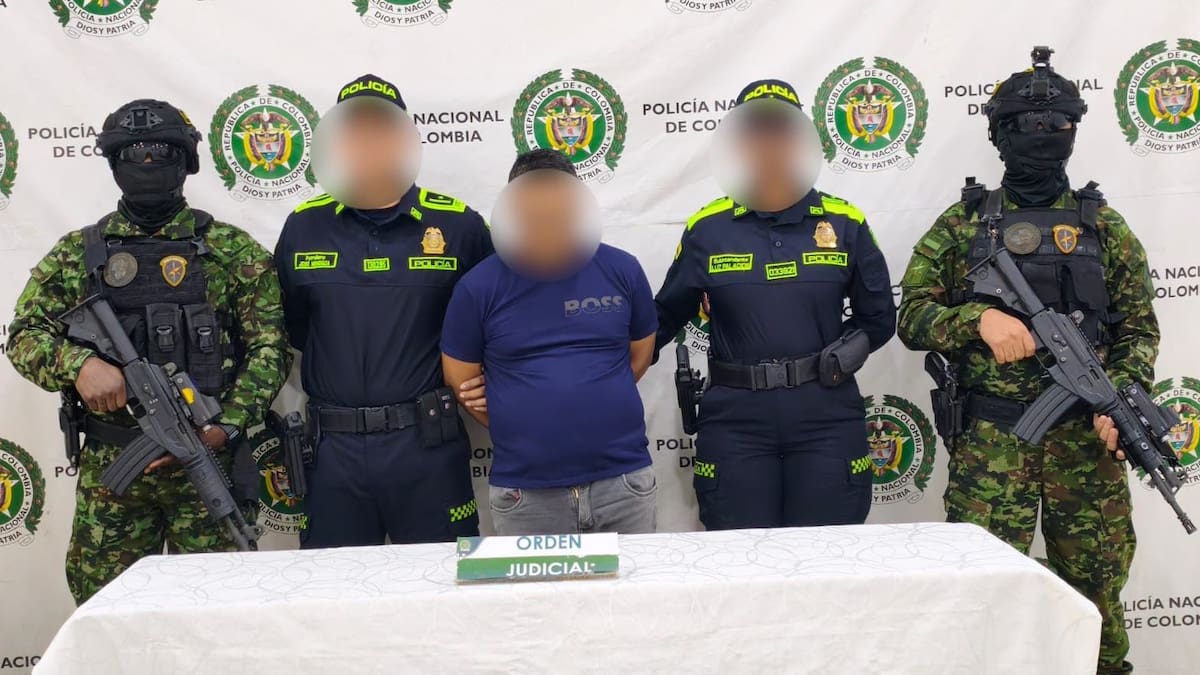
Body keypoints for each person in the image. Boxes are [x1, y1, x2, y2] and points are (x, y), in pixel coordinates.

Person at [897, 47, 1156, 675]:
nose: (1042, 136)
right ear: (999, 135)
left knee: (1096, 606)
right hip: (993, 445)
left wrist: (1119, 401)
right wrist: (976, 320)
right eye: (1025, 125)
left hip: (1088, 449)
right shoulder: (963, 226)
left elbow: (1138, 332)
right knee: (984, 605)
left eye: (1056, 124)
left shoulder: (1105, 229)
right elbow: (911, 317)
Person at [5, 99, 290, 604]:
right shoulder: (80, 254)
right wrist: (79, 365)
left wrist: (224, 427)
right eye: (134, 153)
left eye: (162, 151)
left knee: (220, 607)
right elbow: (24, 334)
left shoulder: (232, 252)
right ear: (115, 165)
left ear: (186, 162)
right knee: (105, 610)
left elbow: (270, 348)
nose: (149, 162)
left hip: (207, 459)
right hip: (113, 470)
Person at [653, 79, 896, 530]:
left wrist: (840, 358)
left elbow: (879, 318)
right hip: (735, 422)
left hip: (825, 417)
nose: (769, 144)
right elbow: (663, 318)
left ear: (802, 141)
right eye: (756, 133)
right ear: (738, 145)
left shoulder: (845, 221)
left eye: (782, 132)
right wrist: (598, 371)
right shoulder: (707, 228)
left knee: (828, 552)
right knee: (739, 554)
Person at [275, 74, 491, 547]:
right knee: (331, 584)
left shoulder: (458, 225)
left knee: (444, 581)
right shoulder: (304, 227)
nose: (369, 143)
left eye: (382, 130)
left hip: (428, 447)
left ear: (404, 140)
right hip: (333, 452)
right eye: (355, 132)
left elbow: (495, 324)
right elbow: (294, 329)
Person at [440, 149, 658, 535]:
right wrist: (516, 416)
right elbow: (461, 379)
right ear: (512, 211)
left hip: (623, 483)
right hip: (525, 493)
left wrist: (591, 393)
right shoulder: (478, 287)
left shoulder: (622, 270)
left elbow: (639, 356)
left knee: (634, 579)